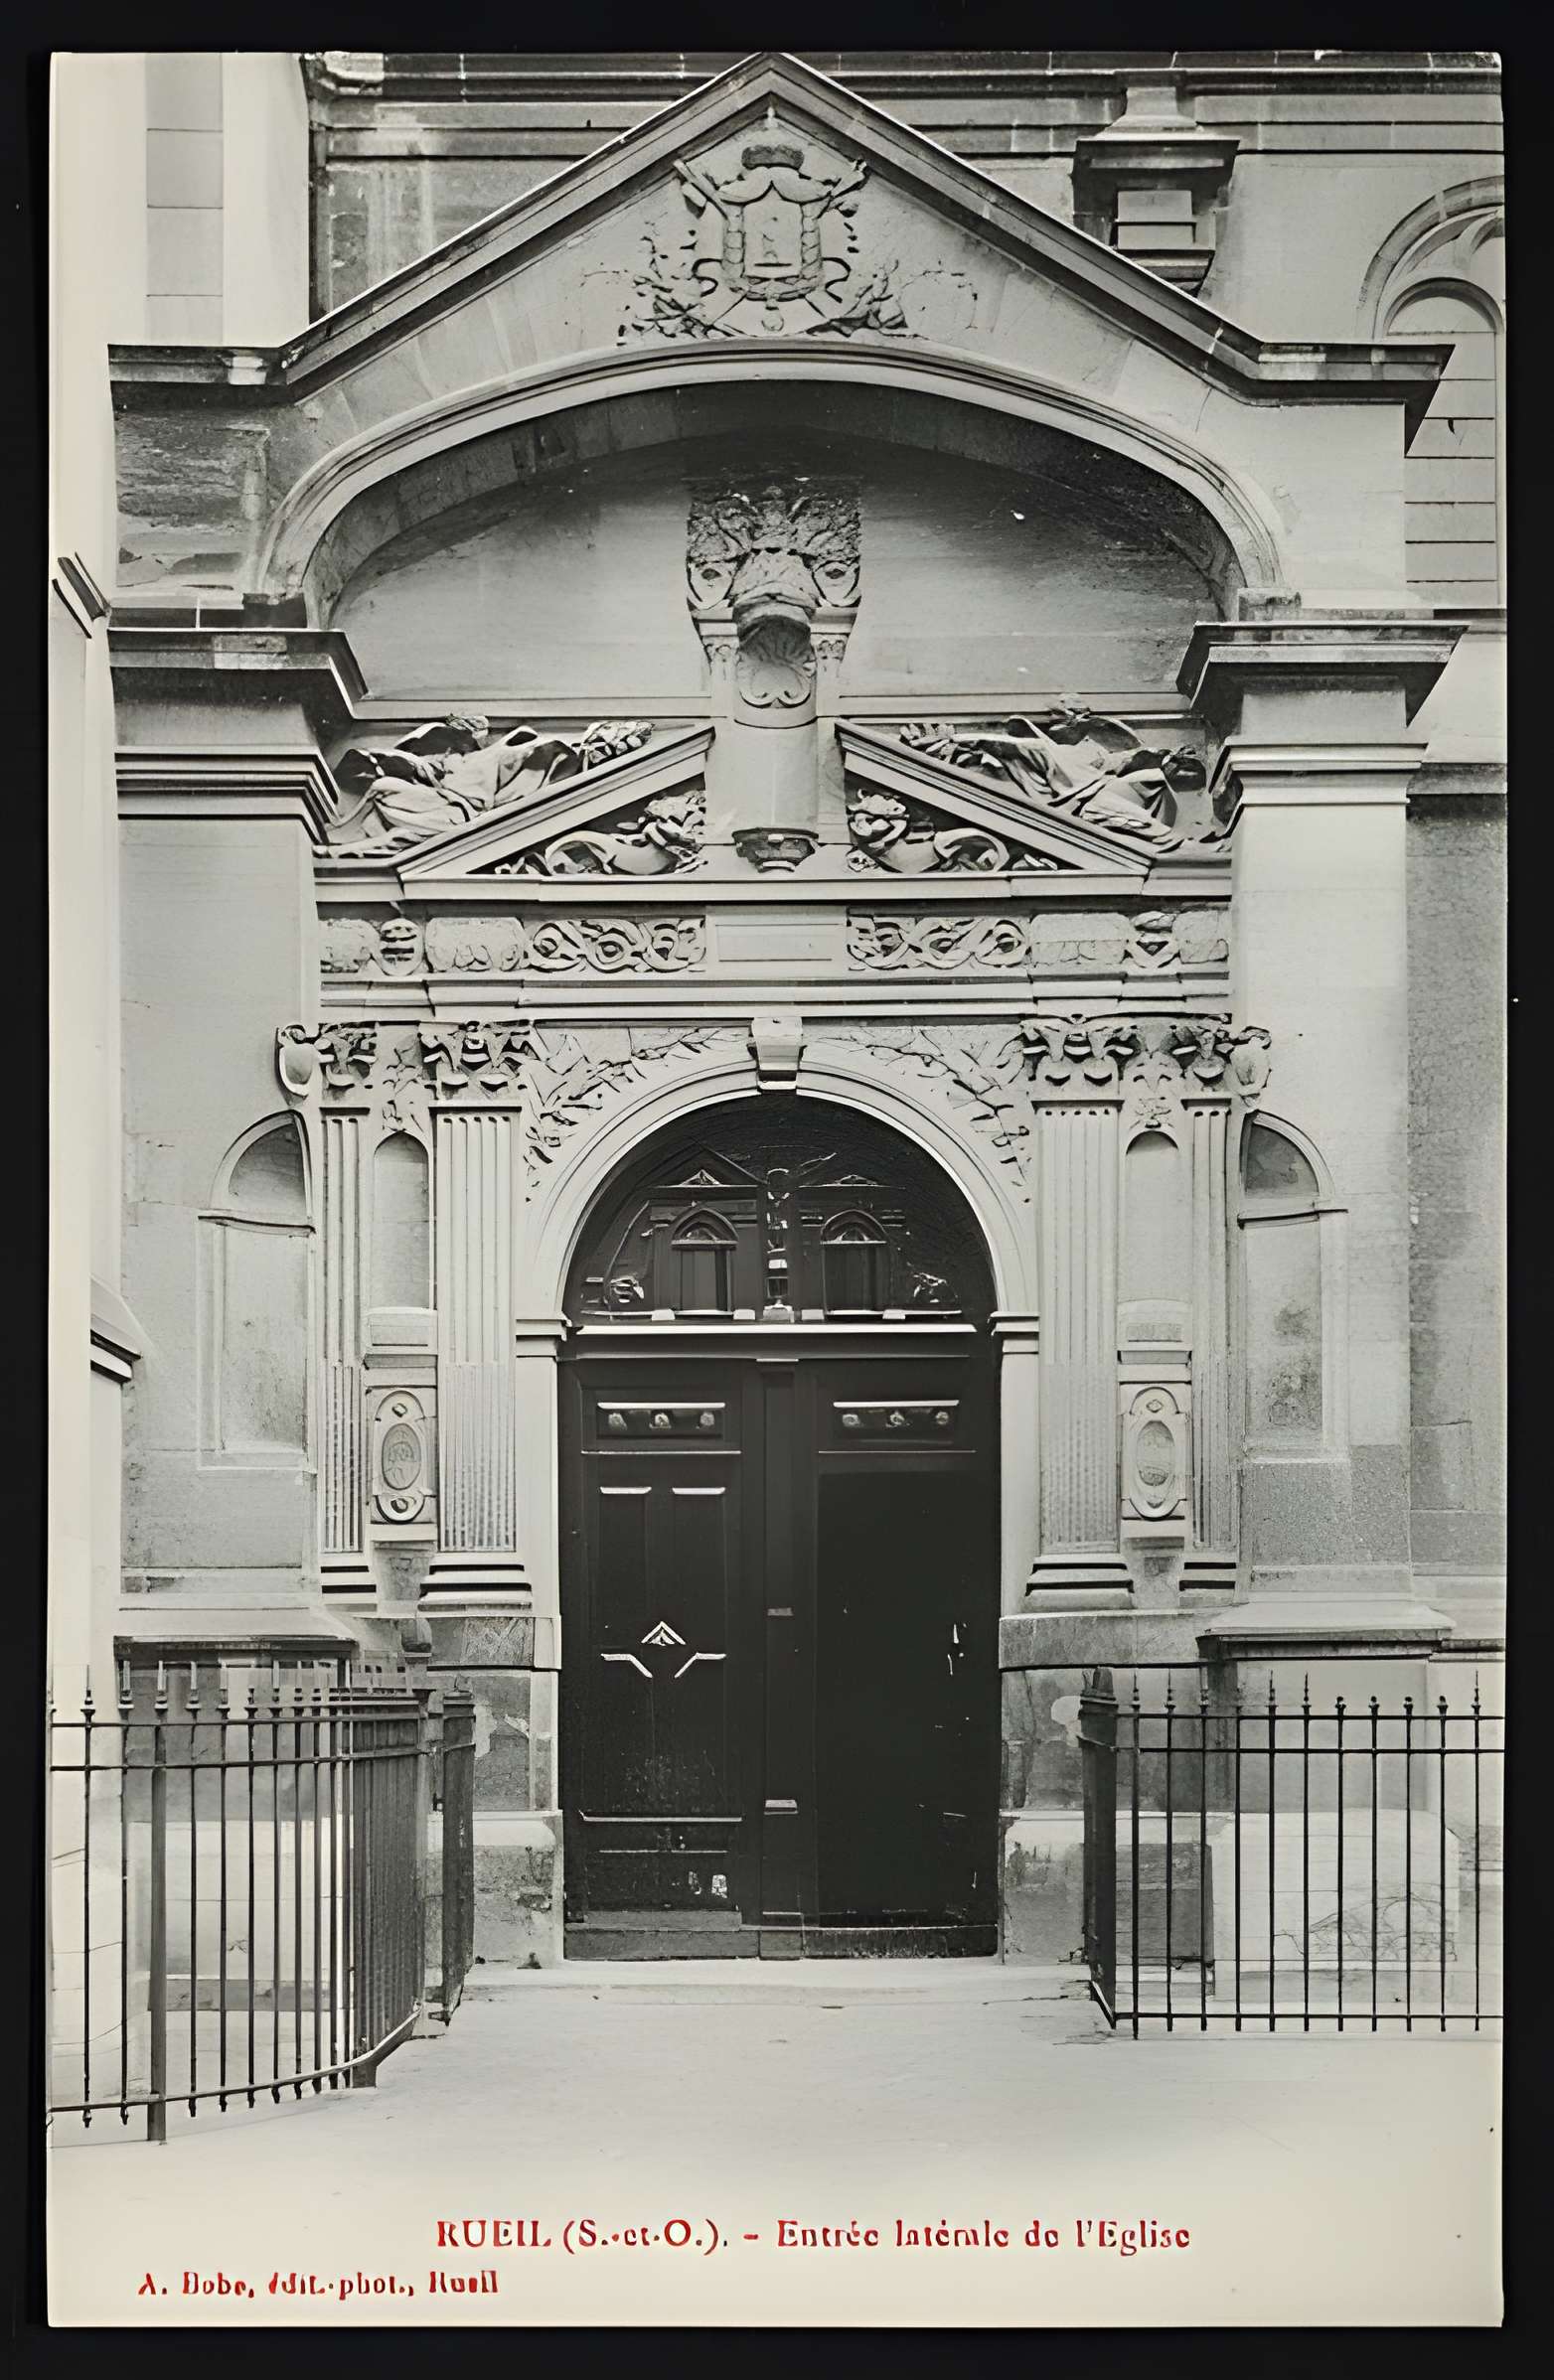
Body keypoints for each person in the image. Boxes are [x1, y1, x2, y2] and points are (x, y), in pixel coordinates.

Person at [331, 714, 649, 852]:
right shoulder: (547, 751)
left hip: (463, 810)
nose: (610, 751)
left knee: (388, 797)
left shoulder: (558, 761)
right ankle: (339, 836)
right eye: (609, 744)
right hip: (461, 805)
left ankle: (341, 839)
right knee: (385, 792)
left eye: (617, 750)